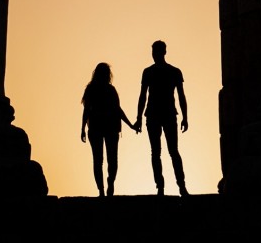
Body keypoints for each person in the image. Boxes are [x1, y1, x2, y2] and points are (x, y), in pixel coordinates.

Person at [133, 40, 189, 196]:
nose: (154, 55)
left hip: (164, 114)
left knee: (167, 151)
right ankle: (165, 186)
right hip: (157, 115)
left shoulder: (166, 72)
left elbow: (181, 96)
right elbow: (143, 96)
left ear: (162, 52)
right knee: (164, 152)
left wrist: (185, 117)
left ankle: (176, 186)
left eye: (155, 51)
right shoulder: (161, 72)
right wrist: (138, 118)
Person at [80, 62, 136, 197]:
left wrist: (130, 125)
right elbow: (87, 110)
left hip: (105, 128)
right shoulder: (98, 90)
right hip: (101, 128)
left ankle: (107, 186)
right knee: (103, 160)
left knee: (104, 160)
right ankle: (103, 189)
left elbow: (117, 109)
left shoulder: (105, 90)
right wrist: (82, 128)